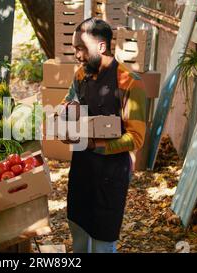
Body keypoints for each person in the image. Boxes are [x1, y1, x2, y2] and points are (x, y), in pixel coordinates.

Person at [60, 18, 147, 253]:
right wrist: (65, 116)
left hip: (111, 176)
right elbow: (67, 105)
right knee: (78, 232)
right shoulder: (80, 77)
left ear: (101, 47)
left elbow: (136, 138)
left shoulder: (130, 84)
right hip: (81, 170)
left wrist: (95, 143)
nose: (77, 55)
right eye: (75, 48)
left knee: (102, 243)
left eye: (81, 48)